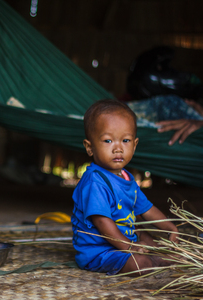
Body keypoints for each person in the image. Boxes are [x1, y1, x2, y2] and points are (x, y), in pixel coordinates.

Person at [0, 65, 203, 145]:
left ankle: (9, 106)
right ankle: (12, 106)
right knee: (92, 112)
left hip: (179, 123)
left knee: (93, 120)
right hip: (170, 112)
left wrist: (201, 123)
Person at [71, 99, 178, 276]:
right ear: (89, 147)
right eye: (108, 141)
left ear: (135, 145)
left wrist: (170, 228)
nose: (118, 148)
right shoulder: (95, 182)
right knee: (142, 263)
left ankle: (157, 256)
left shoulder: (127, 178)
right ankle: (148, 259)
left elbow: (147, 209)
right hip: (100, 251)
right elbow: (102, 222)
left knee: (151, 241)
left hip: (127, 239)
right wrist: (131, 247)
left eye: (125, 140)